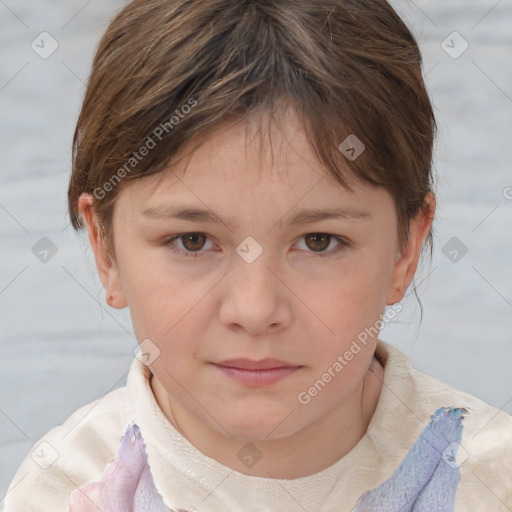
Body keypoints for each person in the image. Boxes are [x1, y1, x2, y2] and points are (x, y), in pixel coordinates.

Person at [3, 0, 512, 510]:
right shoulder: (60, 493)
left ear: (405, 249)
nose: (254, 310)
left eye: (319, 241)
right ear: (105, 250)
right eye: (193, 241)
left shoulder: (493, 483)